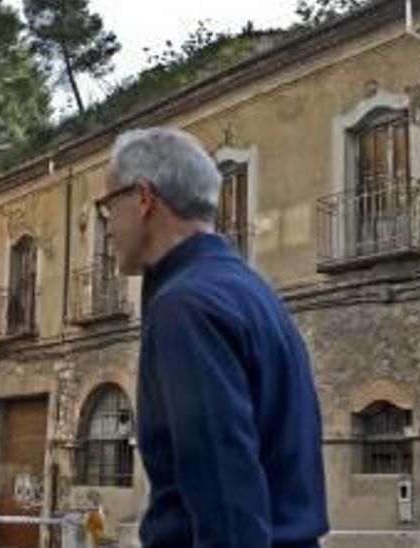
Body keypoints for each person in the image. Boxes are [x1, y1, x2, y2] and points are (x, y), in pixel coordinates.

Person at [96, 127, 329, 547]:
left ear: (144, 198)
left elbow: (224, 486)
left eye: (108, 206)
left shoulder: (184, 308)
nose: (107, 226)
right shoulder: (254, 293)